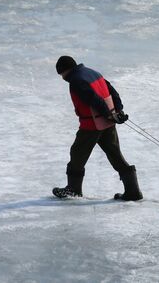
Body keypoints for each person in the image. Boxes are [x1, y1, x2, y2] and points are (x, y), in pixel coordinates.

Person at [52, 56, 143, 201]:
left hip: (92, 125)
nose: (62, 78)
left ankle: (73, 190)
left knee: (77, 153)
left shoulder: (76, 80)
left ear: (65, 70)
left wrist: (109, 114)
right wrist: (118, 111)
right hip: (107, 123)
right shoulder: (93, 72)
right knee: (115, 154)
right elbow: (112, 91)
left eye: (61, 74)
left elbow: (93, 99)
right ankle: (133, 191)